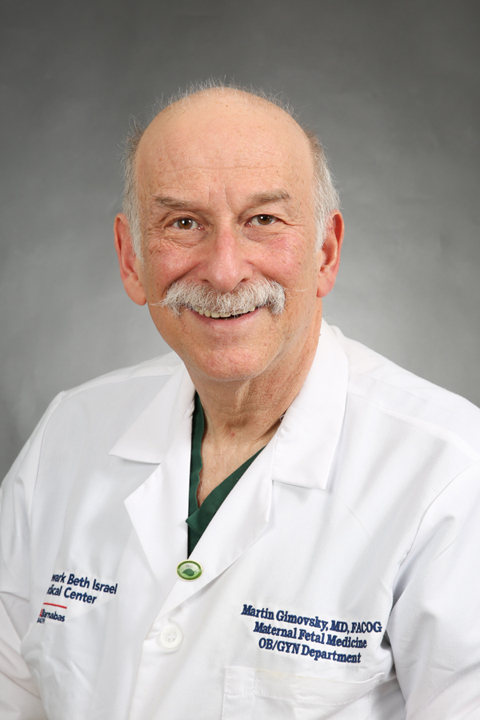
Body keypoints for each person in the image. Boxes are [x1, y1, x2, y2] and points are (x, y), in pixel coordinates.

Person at [1, 83, 480, 720]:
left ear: (325, 252)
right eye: (183, 223)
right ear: (131, 258)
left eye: (263, 220)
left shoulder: (451, 474)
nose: (225, 271)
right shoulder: (70, 433)